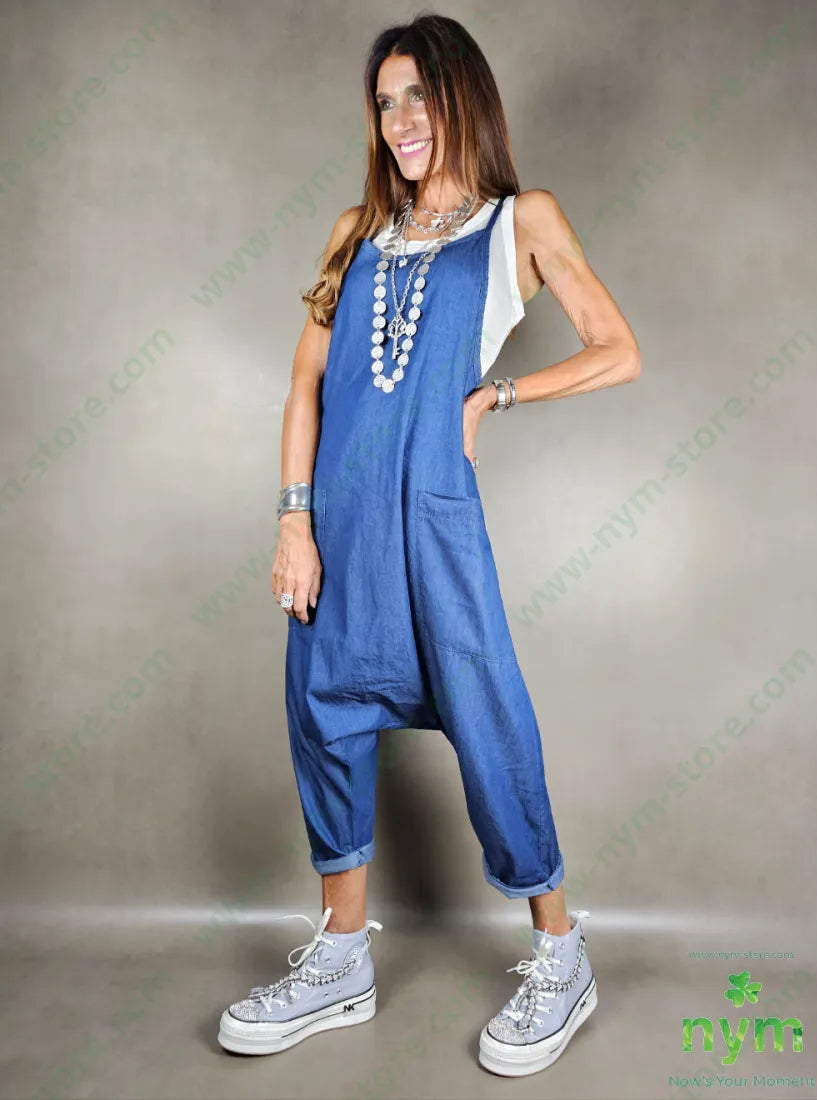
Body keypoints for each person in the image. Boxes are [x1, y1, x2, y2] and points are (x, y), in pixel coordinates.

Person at [218, 12, 640, 1078]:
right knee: (324, 709)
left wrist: (497, 394)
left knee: (487, 716)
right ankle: (341, 956)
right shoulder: (353, 229)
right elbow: (305, 385)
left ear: (462, 98)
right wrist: (293, 518)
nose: (400, 119)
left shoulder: (519, 221)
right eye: (384, 101)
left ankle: (560, 952)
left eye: (418, 95)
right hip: (339, 524)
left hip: (435, 518)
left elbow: (617, 349)